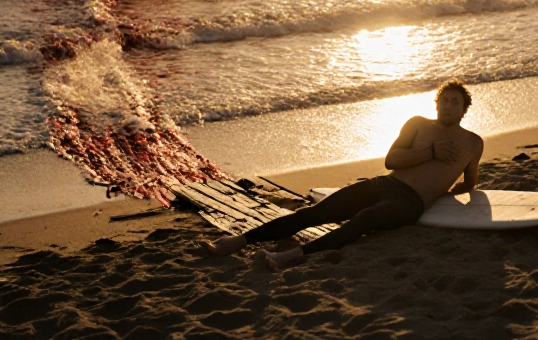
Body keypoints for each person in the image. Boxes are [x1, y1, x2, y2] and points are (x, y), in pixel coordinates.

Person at [203, 80, 485, 270]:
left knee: (363, 219)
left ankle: (294, 255)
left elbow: (470, 182)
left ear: (464, 109)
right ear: (437, 104)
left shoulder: (473, 143)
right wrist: (432, 152)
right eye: (444, 101)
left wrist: (441, 192)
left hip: (410, 203)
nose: (449, 106)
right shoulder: (417, 124)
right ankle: (237, 242)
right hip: (384, 184)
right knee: (316, 213)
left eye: (455, 102)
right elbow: (391, 160)